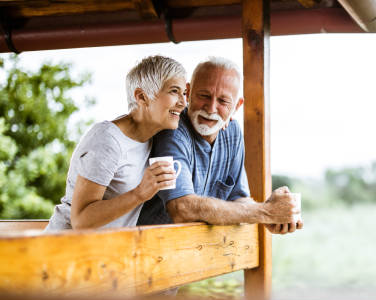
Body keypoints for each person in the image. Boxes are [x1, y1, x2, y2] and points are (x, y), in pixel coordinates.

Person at [137, 57, 302, 234]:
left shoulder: (233, 131)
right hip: (151, 249)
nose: (211, 108)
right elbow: (181, 208)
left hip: (199, 252)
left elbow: (239, 199)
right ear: (188, 93)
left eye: (223, 101)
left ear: (236, 106)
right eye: (204, 96)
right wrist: (265, 212)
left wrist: (274, 215)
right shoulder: (171, 130)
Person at [45, 56, 186, 231]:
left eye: (184, 93)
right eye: (174, 91)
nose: (183, 102)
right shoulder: (107, 140)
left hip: (103, 253)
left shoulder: (154, 134)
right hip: (61, 250)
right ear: (142, 97)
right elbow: (80, 220)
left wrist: (223, 120)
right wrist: (140, 193)